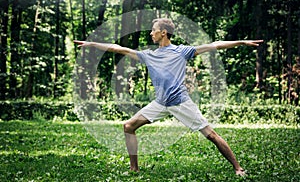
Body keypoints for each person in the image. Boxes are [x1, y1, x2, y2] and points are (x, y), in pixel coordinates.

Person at [74, 18, 263, 177]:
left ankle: (238, 168)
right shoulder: (149, 55)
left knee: (211, 135)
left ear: (163, 32)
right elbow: (118, 49)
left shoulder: (182, 51)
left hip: (180, 103)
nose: (151, 34)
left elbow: (213, 45)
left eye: (154, 31)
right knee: (128, 126)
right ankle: (134, 169)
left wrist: (241, 42)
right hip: (160, 103)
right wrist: (92, 44)